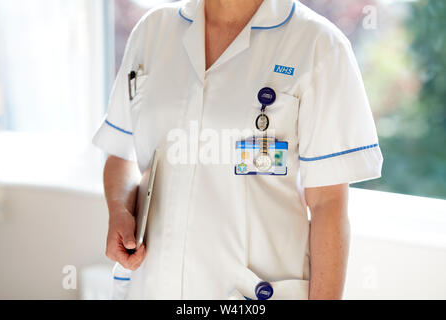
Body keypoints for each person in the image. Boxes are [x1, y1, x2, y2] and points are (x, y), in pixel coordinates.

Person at [93, 0, 383, 300]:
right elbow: (122, 152)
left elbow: (327, 204)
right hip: (152, 287)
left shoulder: (319, 45)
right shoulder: (153, 32)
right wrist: (119, 209)